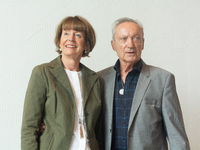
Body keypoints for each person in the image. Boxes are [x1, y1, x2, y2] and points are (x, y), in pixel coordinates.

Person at [98, 17, 190, 150]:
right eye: (123, 39)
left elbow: (177, 136)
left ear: (142, 43)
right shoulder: (100, 79)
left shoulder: (163, 80)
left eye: (136, 38)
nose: (130, 44)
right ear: (113, 45)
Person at [21, 16, 102, 150]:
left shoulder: (94, 79)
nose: (70, 38)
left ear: (86, 44)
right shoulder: (43, 73)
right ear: (59, 41)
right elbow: (29, 127)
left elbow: (98, 128)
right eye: (66, 33)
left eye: (77, 35)